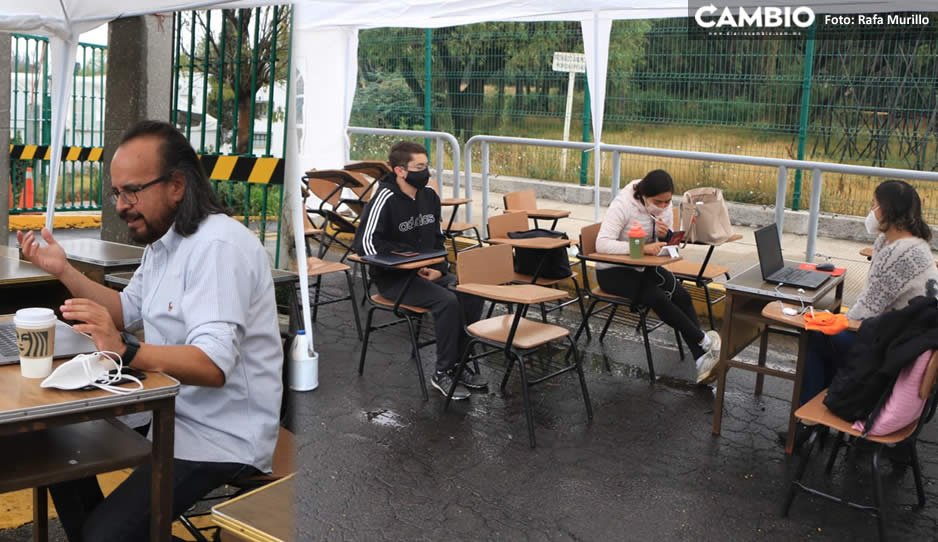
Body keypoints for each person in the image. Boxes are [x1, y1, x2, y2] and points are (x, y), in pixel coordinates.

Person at [17, 120, 283, 542]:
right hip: (166, 412)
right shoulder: (166, 243)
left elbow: (213, 365)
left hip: (219, 435)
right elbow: (125, 310)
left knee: (103, 535)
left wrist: (125, 351)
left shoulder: (217, 247)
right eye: (117, 193)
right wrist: (62, 269)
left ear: (176, 185)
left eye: (132, 191)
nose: (122, 205)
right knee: (55, 451)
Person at [353, 141, 485, 400]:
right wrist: (406, 263)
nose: (426, 172)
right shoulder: (384, 198)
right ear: (400, 171)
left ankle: (459, 364)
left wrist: (438, 267)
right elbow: (364, 245)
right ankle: (443, 372)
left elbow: (437, 239)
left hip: (428, 273)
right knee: (446, 301)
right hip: (394, 279)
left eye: (427, 166)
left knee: (471, 292)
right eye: (420, 167)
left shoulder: (429, 197)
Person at [800, 179, 938, 407]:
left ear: (888, 210)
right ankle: (824, 405)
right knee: (831, 339)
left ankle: (811, 417)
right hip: (905, 336)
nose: (871, 211)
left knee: (816, 338)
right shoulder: (904, 243)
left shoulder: (898, 253)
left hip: (898, 348)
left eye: (874, 204)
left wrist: (830, 320)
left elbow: (865, 311)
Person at [595, 169, 721, 384]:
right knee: (658, 297)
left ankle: (701, 361)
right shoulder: (623, 204)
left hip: (644, 267)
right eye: (658, 202)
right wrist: (642, 247)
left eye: (667, 202)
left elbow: (666, 248)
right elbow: (602, 243)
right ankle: (703, 341)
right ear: (644, 195)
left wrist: (668, 237)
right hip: (613, 271)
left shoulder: (664, 207)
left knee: (681, 294)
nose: (663, 207)